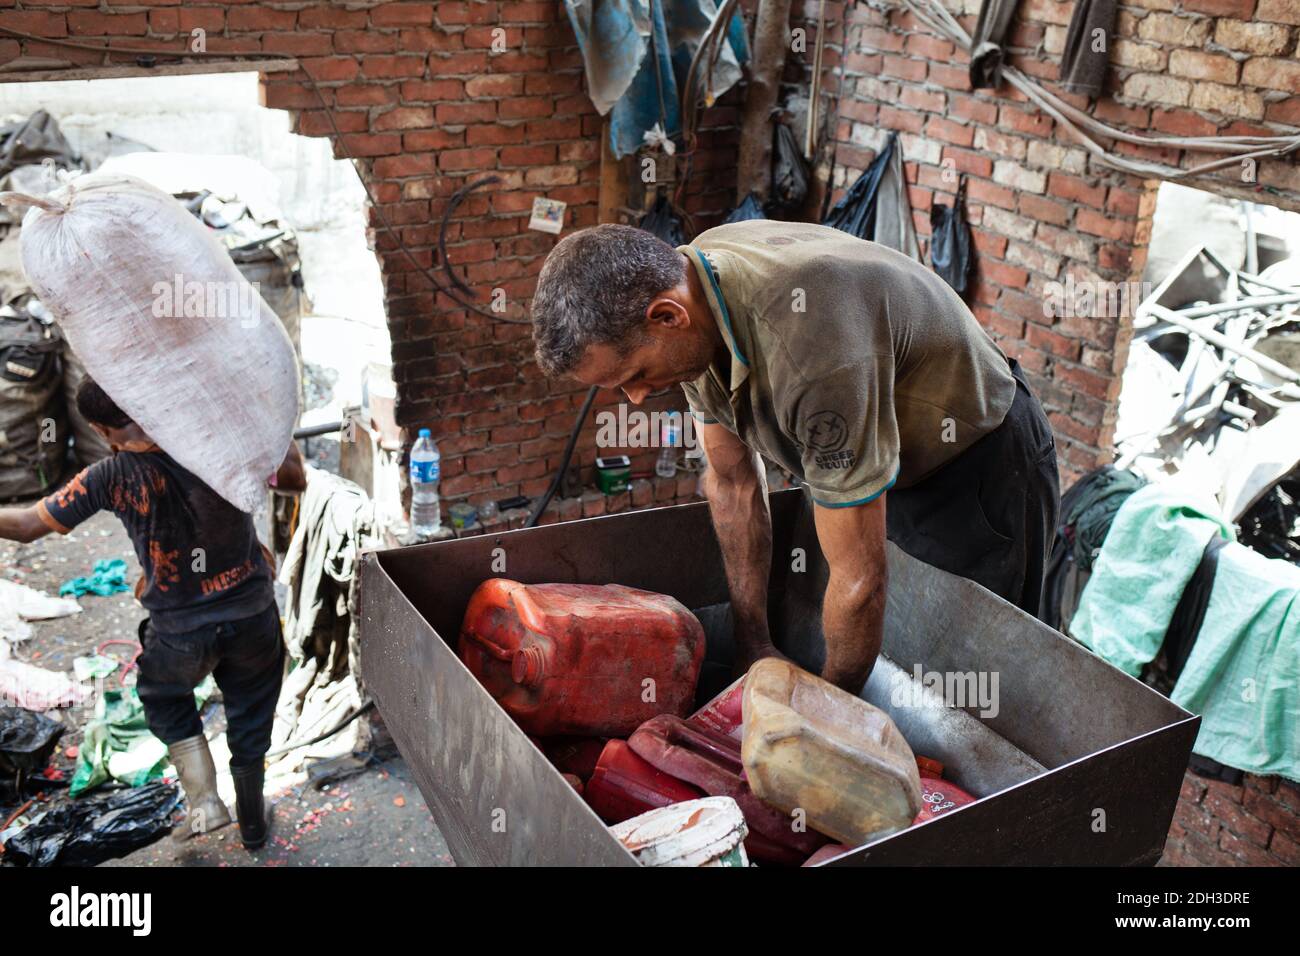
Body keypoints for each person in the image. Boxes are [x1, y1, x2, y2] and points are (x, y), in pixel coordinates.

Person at [530, 220, 1060, 693]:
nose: (639, 398)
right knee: (902, 630)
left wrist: (822, 718)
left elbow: (858, 580)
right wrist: (753, 644)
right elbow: (733, 482)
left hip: (980, 463)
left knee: (979, 676)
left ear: (668, 317)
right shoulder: (691, 292)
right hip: (887, 453)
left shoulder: (812, 355)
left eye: (636, 377)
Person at [0, 379, 306, 848]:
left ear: (103, 429)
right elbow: (294, 478)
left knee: (164, 697)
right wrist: (263, 419)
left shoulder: (110, 475)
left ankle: (205, 801)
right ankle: (252, 821)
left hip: (180, 631)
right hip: (251, 616)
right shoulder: (219, 442)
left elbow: (25, 527)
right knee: (251, 715)